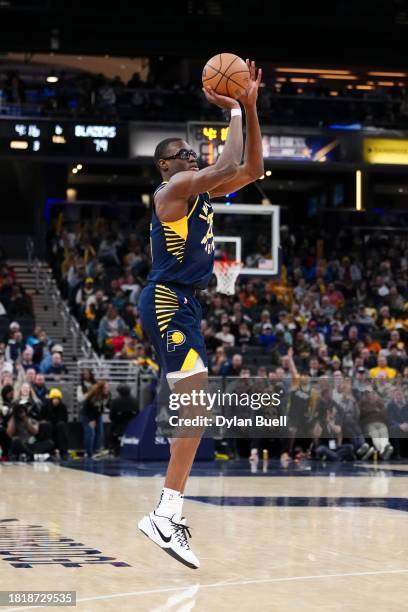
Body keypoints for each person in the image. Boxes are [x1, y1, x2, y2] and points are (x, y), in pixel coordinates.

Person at [137, 60, 263, 569]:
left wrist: (249, 110)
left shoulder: (199, 191)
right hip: (168, 299)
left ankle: (167, 512)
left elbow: (249, 167)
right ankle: (165, 514)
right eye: (180, 153)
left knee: (197, 410)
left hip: (184, 302)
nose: (189, 154)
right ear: (165, 167)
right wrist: (235, 110)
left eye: (191, 151)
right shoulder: (171, 193)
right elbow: (225, 162)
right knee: (195, 407)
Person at [80, 381, 110, 458]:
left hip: (97, 415)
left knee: (100, 432)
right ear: (101, 388)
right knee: (90, 433)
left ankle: (96, 450)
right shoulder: (93, 395)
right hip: (87, 415)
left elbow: (107, 405)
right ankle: (89, 453)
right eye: (105, 388)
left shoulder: (107, 395)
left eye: (108, 387)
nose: (107, 389)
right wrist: (91, 420)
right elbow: (87, 408)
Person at [109, 383, 139, 455]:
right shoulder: (135, 401)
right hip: (132, 427)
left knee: (111, 429)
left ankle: (114, 450)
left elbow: (111, 416)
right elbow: (138, 415)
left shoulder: (115, 401)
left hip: (118, 427)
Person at [40, 388, 69, 460]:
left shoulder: (63, 407)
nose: (56, 400)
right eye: (54, 398)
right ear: (50, 399)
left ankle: (63, 452)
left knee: (61, 425)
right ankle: (49, 451)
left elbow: (65, 419)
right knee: (47, 425)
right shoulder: (45, 407)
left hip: (59, 427)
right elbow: (41, 419)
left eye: (57, 398)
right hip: (48, 428)